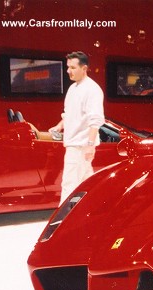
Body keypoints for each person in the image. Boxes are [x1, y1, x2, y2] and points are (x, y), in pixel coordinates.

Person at [50, 51, 104, 204]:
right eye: (68, 67)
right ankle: (95, 215)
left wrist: (90, 145)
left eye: (72, 67)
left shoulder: (92, 89)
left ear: (84, 68)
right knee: (87, 185)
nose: (68, 71)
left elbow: (96, 119)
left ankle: (62, 222)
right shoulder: (73, 88)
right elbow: (68, 114)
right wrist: (59, 126)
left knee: (69, 185)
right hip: (74, 144)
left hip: (80, 146)